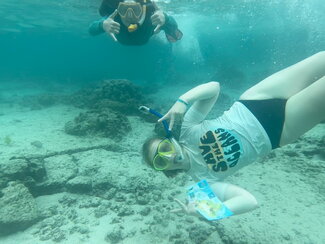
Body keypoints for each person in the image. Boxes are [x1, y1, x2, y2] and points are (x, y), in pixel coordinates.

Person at [141, 51, 325, 219]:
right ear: (165, 170)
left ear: (170, 141)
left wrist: (183, 100)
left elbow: (214, 88)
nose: (170, 157)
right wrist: (208, 211)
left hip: (257, 99)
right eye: (161, 161)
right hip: (280, 131)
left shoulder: (187, 130)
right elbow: (249, 201)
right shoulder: (204, 182)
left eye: (164, 149)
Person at [89, 0, 183, 45]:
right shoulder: (113, 20)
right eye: (124, 9)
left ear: (142, 10)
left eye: (135, 10)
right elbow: (91, 30)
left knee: (157, 28)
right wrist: (102, 25)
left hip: (148, 34)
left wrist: (165, 18)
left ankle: (157, 31)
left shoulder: (151, 18)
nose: (130, 15)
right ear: (118, 10)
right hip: (143, 39)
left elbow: (173, 27)